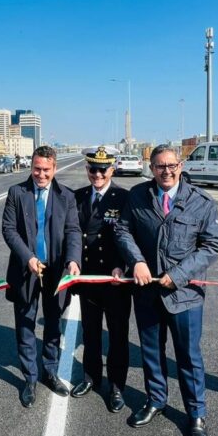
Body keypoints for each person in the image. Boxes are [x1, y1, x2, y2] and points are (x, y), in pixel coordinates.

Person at [114, 145, 218, 436]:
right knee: (151, 352)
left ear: (181, 165)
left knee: (188, 356)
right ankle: (156, 400)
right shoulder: (138, 196)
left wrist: (177, 275)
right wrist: (136, 261)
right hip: (147, 292)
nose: (167, 171)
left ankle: (196, 414)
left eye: (172, 165)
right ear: (151, 167)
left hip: (185, 295)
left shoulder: (200, 202)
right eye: (160, 166)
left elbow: (212, 245)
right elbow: (123, 231)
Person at [3, 145, 82, 408]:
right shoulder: (17, 193)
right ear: (31, 166)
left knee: (52, 323)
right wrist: (28, 258)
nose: (41, 174)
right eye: (37, 168)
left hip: (55, 271)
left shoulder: (66, 196)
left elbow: (73, 231)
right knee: (25, 324)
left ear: (54, 168)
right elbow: (9, 230)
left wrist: (73, 259)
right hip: (26, 269)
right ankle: (29, 378)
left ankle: (50, 370)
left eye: (46, 169)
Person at [71, 146, 130, 413]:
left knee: (118, 336)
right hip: (88, 278)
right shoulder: (78, 196)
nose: (97, 174)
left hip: (115, 280)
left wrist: (122, 266)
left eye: (102, 169)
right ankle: (91, 378)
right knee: (91, 332)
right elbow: (72, 233)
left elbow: (130, 238)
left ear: (112, 170)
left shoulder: (124, 198)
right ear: (87, 169)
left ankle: (117, 386)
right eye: (92, 169)